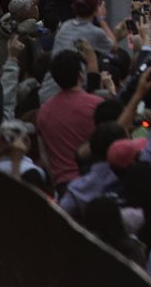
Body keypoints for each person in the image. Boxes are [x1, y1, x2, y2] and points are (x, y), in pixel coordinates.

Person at [35, 48, 103, 191]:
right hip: (94, 180)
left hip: (62, 184)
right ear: (81, 75)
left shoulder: (43, 112)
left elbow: (44, 156)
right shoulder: (97, 105)